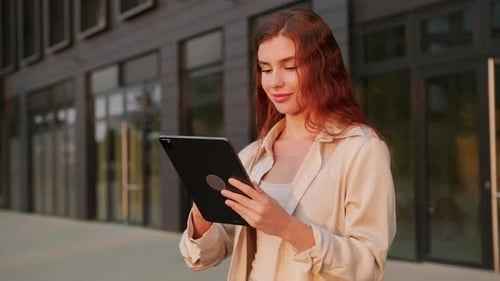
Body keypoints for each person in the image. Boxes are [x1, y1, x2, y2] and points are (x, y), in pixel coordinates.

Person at [179, 8, 396, 281]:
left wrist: (286, 227)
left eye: (290, 67)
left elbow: (367, 266)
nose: (274, 82)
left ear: (323, 67)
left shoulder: (361, 150)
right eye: (265, 69)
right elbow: (202, 257)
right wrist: (203, 212)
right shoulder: (252, 156)